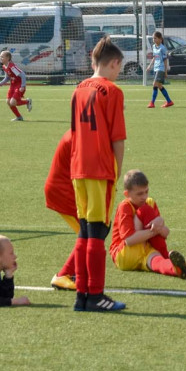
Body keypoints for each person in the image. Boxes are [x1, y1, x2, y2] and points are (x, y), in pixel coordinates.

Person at [69, 37, 127, 312]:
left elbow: (73, 131)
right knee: (97, 232)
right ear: (113, 63)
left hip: (78, 167)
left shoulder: (78, 89)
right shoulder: (112, 91)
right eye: (119, 67)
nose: (118, 73)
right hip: (100, 168)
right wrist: (117, 170)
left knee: (84, 230)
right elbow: (118, 138)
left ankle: (81, 294)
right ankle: (95, 295)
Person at [110, 169, 186, 279]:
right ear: (126, 194)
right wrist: (155, 229)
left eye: (146, 192)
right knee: (145, 210)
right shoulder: (125, 206)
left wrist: (160, 222)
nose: (144, 197)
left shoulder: (150, 202)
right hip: (124, 253)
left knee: (157, 261)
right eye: (139, 194)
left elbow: (165, 233)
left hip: (145, 248)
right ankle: (166, 255)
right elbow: (129, 240)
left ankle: (175, 269)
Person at [46, 130, 82, 291]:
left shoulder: (80, 132)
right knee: (91, 233)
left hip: (67, 190)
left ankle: (76, 272)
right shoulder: (80, 136)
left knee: (93, 231)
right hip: (64, 192)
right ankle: (64, 274)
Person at [0, 50, 32, 121]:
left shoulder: (12, 66)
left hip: (19, 85)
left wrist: (22, 86)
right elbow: (7, 78)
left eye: (2, 57)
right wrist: (0, 84)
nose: (0, 58)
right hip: (13, 85)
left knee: (13, 102)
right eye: (0, 57)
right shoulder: (4, 66)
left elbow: (22, 75)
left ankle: (27, 102)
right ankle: (19, 117)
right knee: (8, 102)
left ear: (8, 58)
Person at [146, 31, 174, 108]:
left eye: (155, 38)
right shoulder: (154, 46)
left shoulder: (163, 48)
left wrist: (165, 71)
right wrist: (149, 66)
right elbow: (154, 57)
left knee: (154, 84)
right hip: (156, 68)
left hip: (161, 68)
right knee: (159, 86)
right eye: (153, 38)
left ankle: (152, 103)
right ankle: (169, 101)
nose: (153, 40)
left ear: (160, 39)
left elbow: (165, 60)